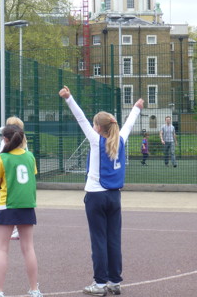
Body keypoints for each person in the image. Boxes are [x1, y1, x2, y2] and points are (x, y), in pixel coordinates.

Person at [59, 85, 143, 296]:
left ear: (98, 127)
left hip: (96, 196)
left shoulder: (96, 140)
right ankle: (114, 281)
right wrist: (136, 108)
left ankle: (99, 284)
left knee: (98, 240)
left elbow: (80, 118)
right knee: (113, 239)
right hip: (114, 196)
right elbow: (129, 124)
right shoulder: (120, 139)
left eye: (94, 124)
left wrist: (69, 98)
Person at [0, 125, 43, 297]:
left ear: (5, 139)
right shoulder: (30, 157)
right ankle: (34, 290)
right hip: (27, 204)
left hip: (8, 204)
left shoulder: (2, 158)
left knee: (1, 249)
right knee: (29, 248)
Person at [0, 116, 28, 240]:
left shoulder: (5, 143)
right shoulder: (24, 143)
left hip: (10, 179)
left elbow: (2, 158)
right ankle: (18, 228)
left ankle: (13, 228)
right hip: (21, 180)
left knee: (9, 204)